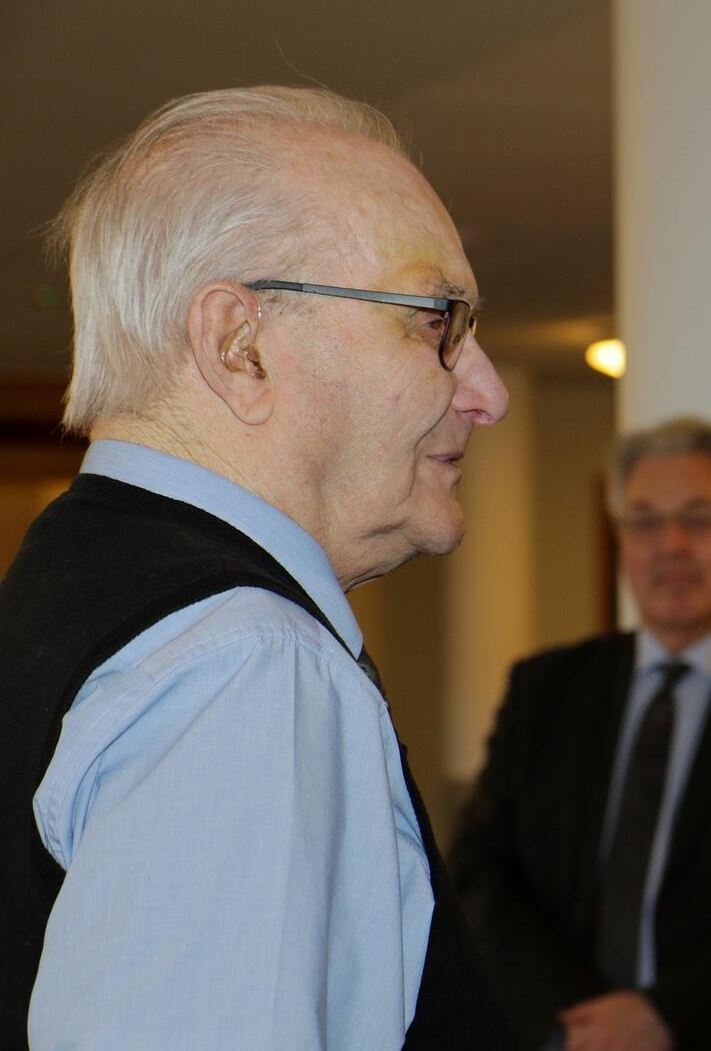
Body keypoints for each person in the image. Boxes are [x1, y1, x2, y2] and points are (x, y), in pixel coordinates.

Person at [0, 88, 517, 1049]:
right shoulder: (248, 662)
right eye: (436, 321)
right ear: (239, 347)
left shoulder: (70, 577)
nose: (486, 393)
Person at [452, 415, 711, 1051]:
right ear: (621, 539)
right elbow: (483, 869)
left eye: (699, 519)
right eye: (646, 522)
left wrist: (664, 1014)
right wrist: (581, 1022)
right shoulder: (546, 689)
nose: (671, 546)